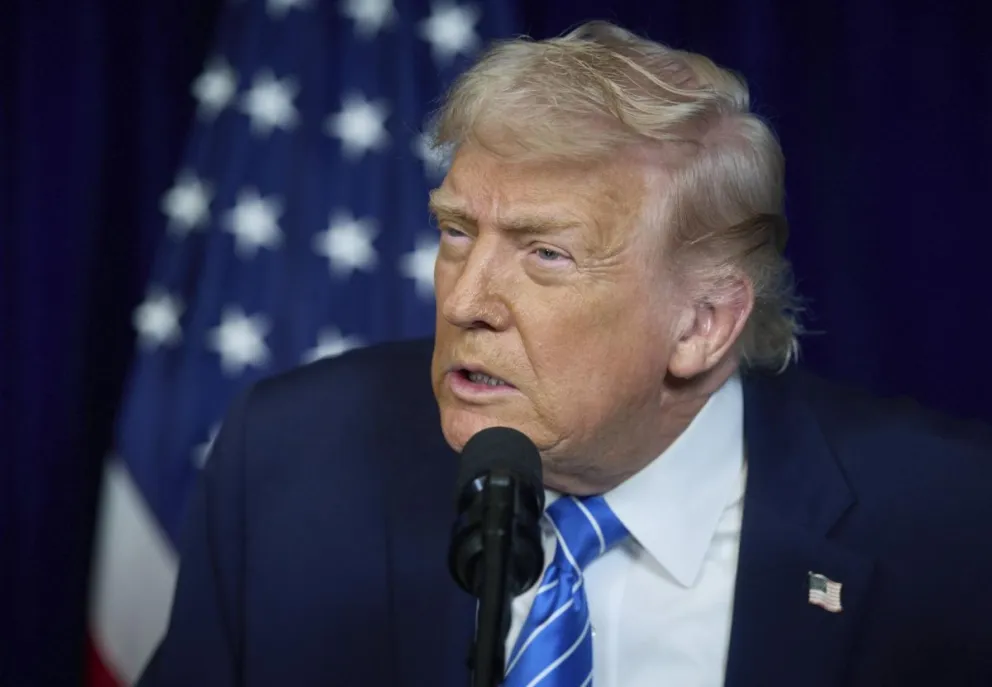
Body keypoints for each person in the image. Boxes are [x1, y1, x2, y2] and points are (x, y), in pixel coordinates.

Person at [137, 21, 992, 687]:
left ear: (702, 322)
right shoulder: (288, 464)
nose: (465, 300)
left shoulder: (949, 528)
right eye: (456, 231)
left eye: (546, 254)